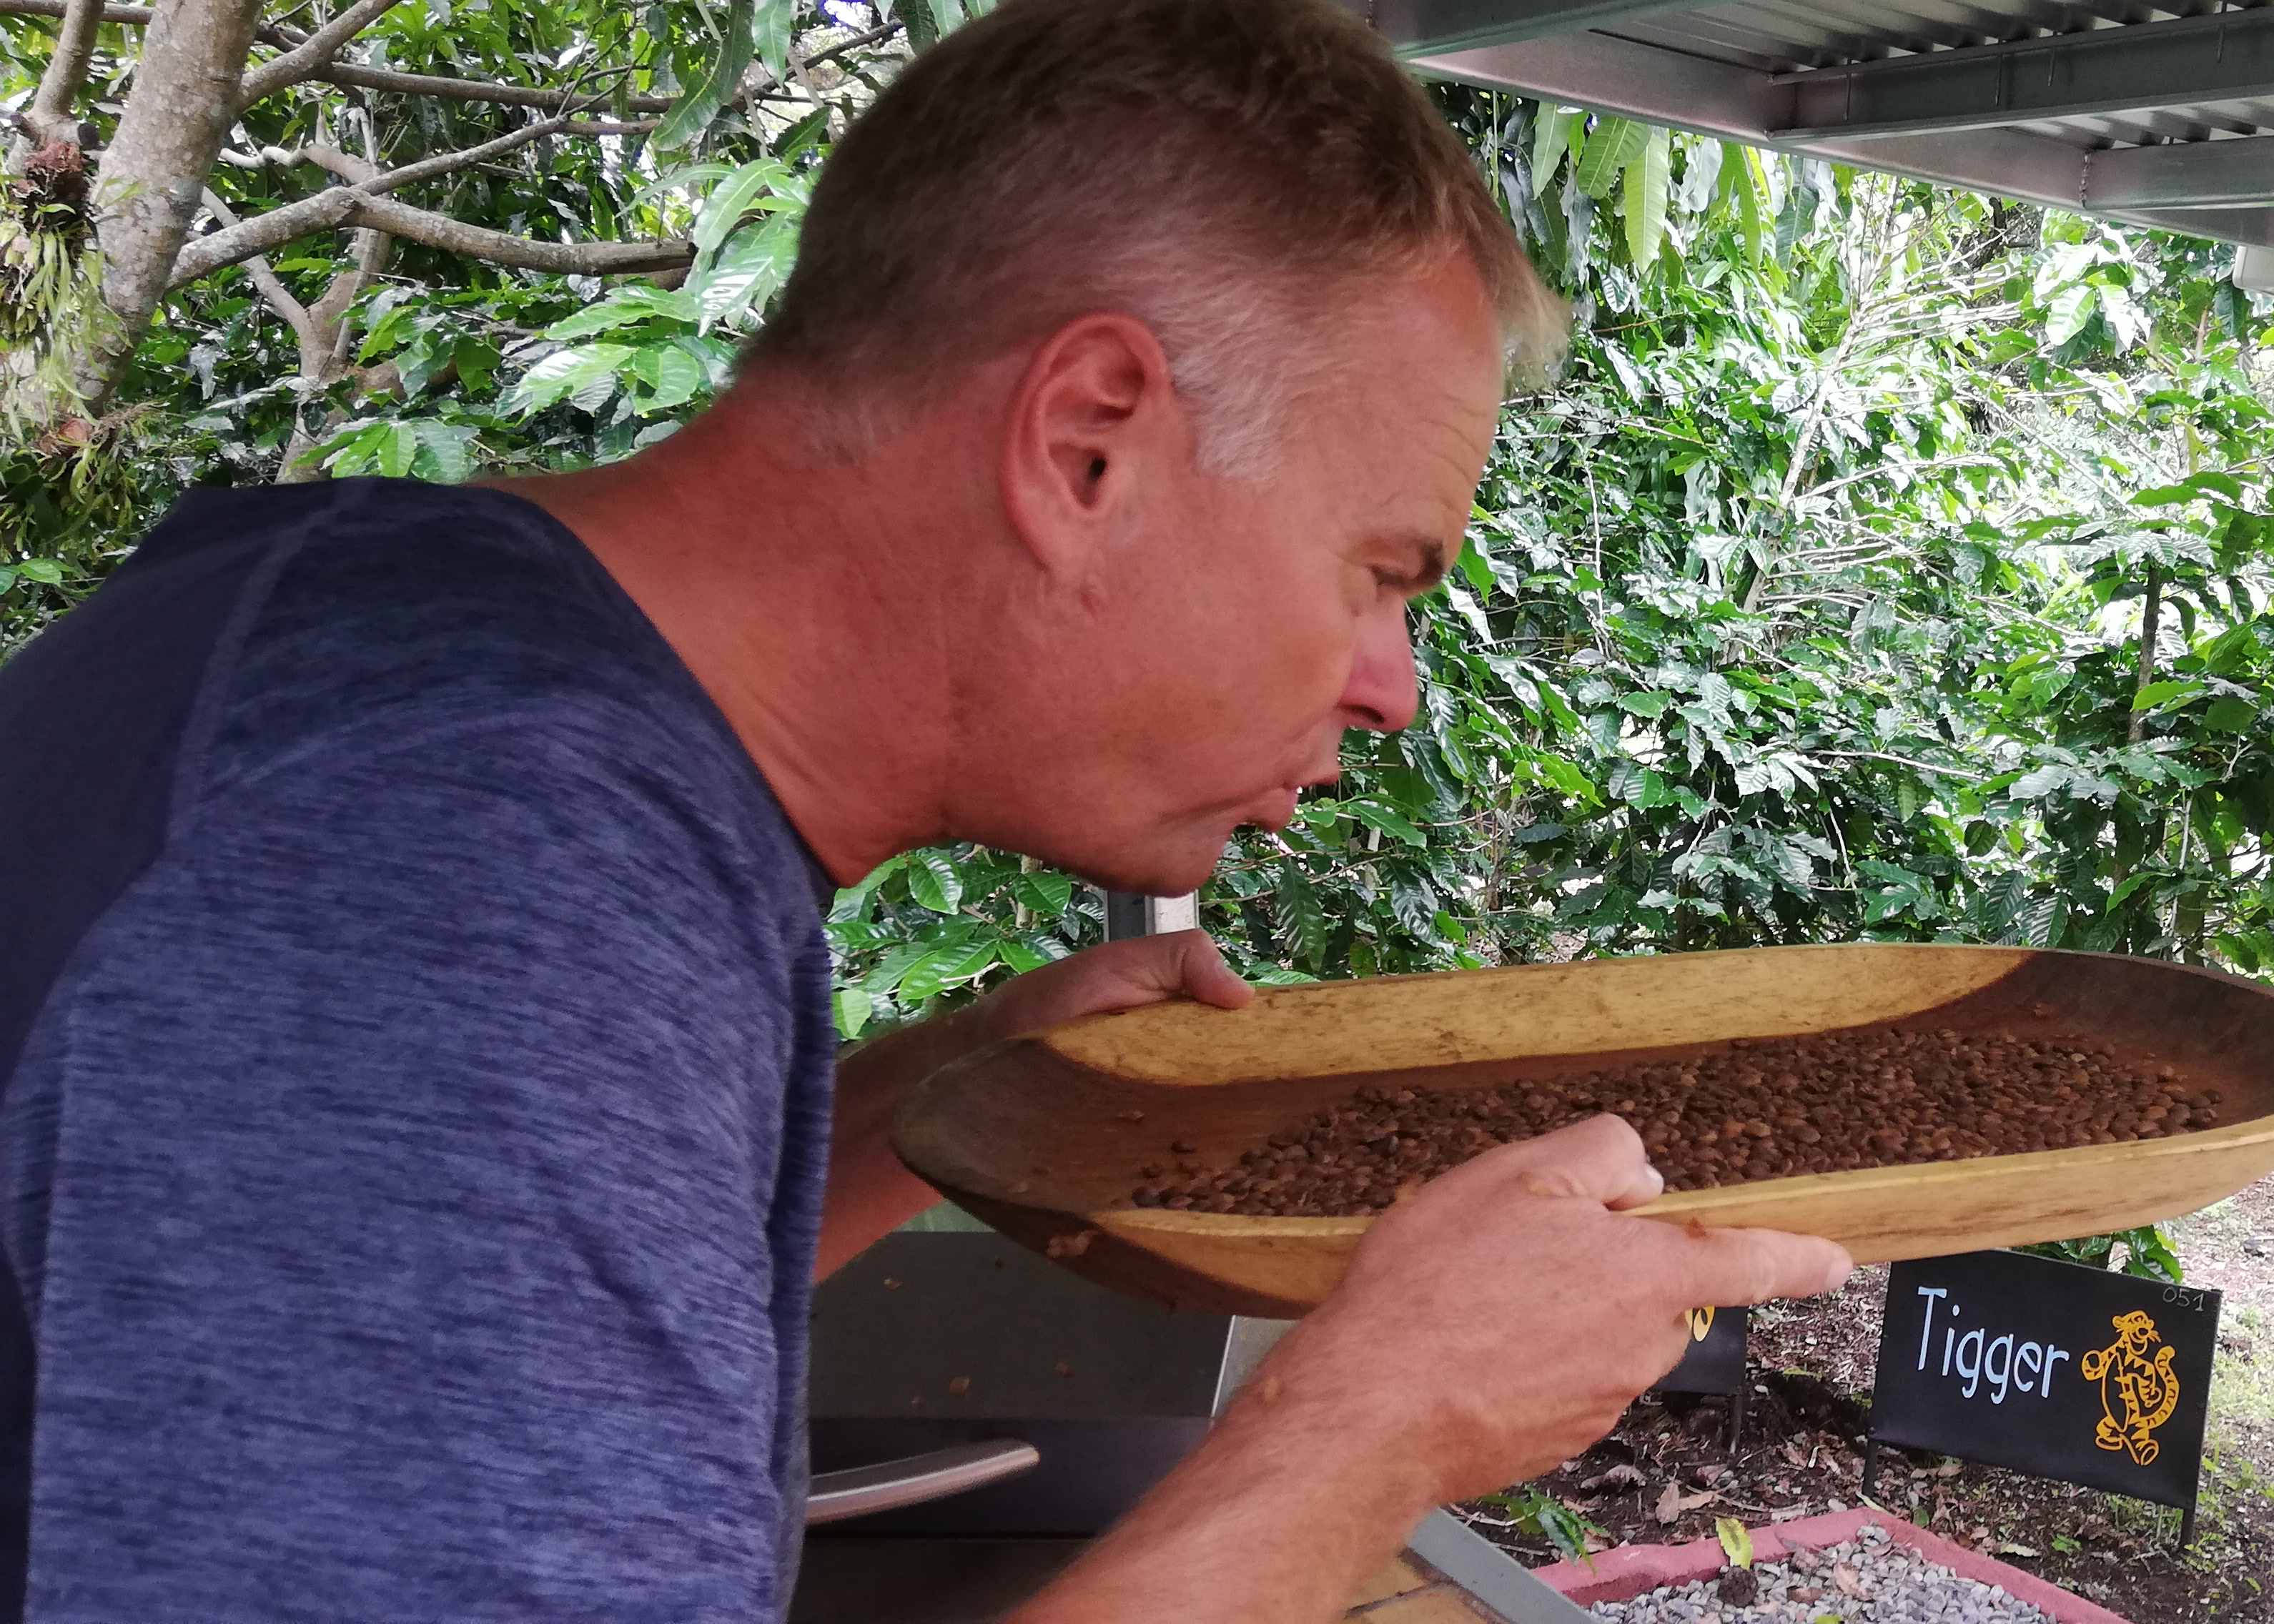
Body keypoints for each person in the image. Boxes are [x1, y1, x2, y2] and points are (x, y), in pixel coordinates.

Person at [0, 0, 1851, 1618]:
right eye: (1380, 573)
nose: (1396, 687)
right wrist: (1384, 1422)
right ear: (1087, 442)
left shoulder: (400, 635)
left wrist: (942, 1098)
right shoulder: (468, 878)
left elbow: (483, 1307)